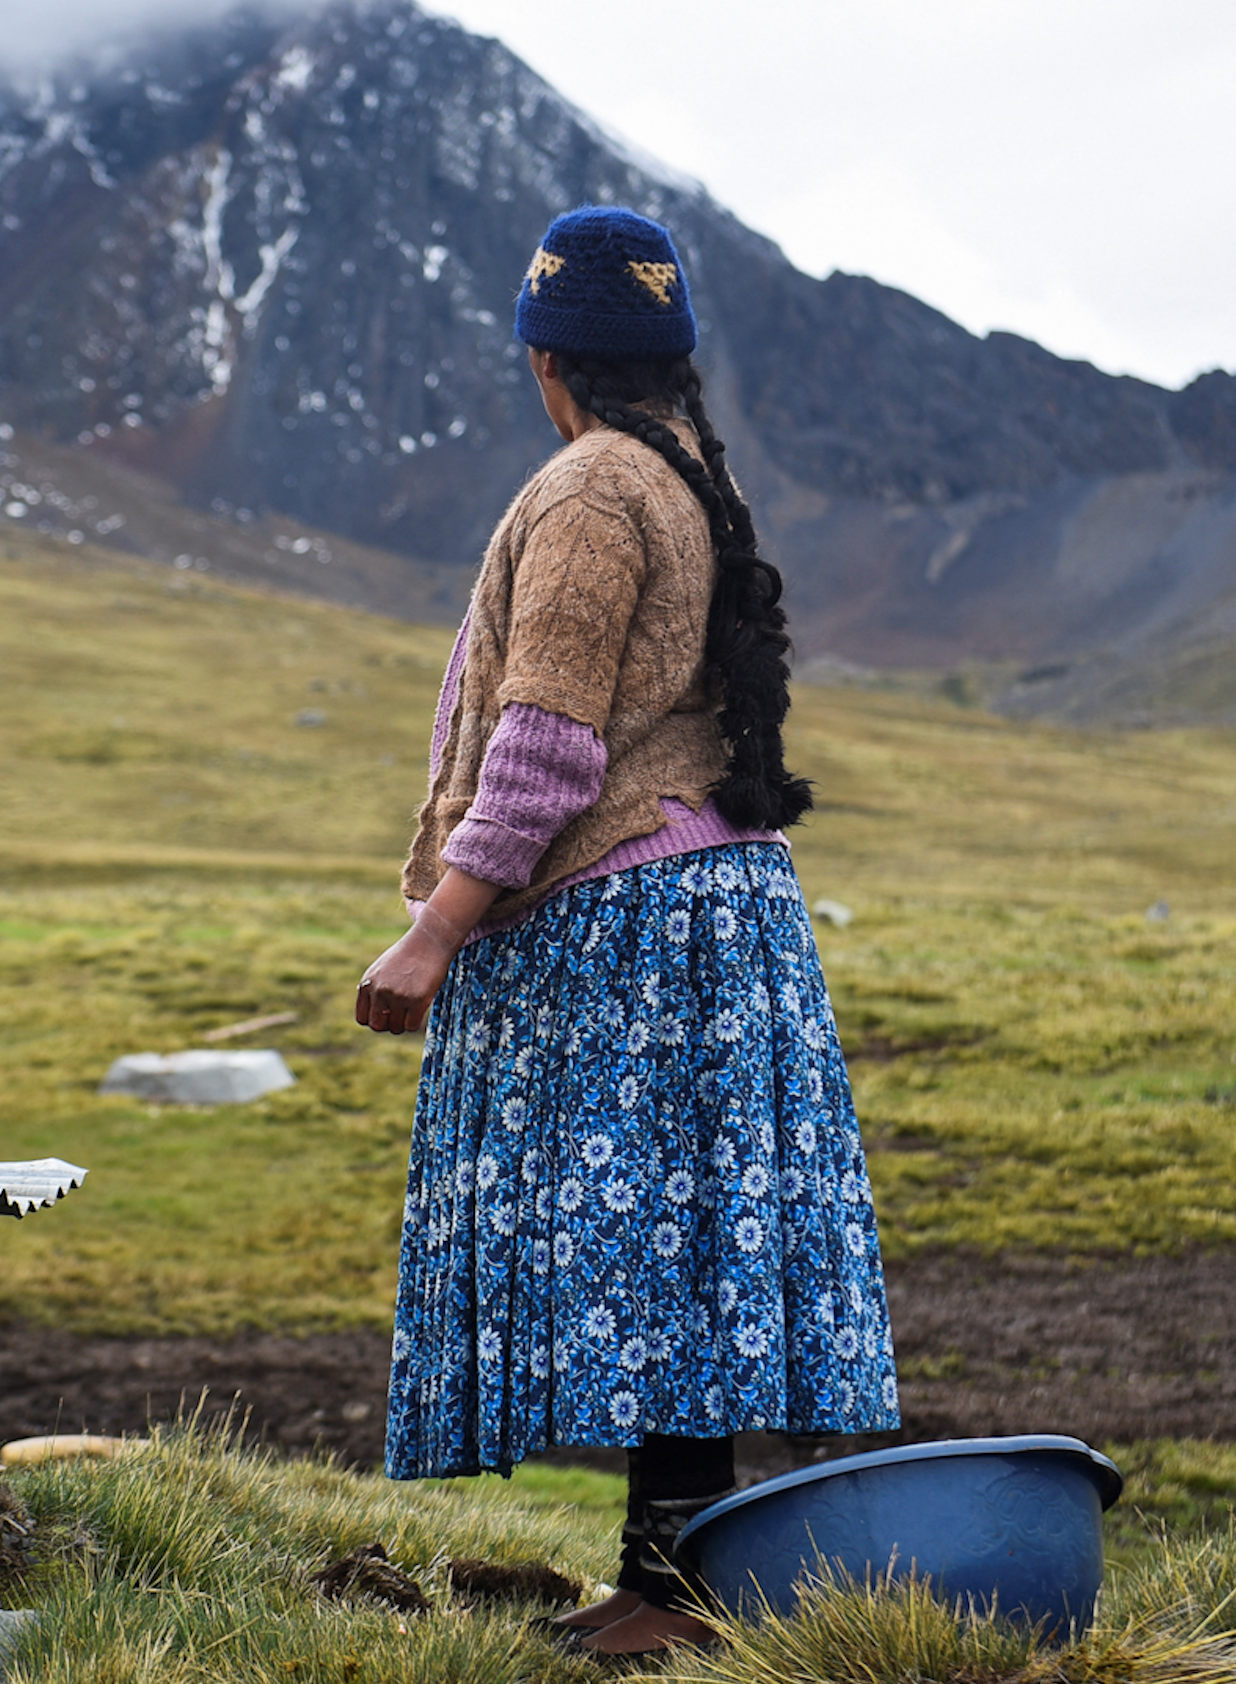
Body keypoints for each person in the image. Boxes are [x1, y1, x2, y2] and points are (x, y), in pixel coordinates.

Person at [355, 206, 898, 1658]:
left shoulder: (593, 490)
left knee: (651, 1247)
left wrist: (435, 932)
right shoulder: (686, 471)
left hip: (630, 926)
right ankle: (675, 1586)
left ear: (549, 359)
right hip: (713, 914)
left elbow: (544, 747)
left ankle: (668, 1596)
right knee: (688, 1249)